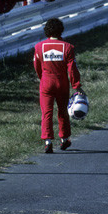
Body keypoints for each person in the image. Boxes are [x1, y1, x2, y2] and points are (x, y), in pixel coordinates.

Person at [33, 18, 83, 153]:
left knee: (46, 112)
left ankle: (48, 142)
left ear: (46, 31)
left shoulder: (39, 47)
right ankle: (64, 139)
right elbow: (72, 69)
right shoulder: (68, 47)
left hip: (46, 82)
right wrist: (76, 85)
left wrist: (42, 78)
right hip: (62, 82)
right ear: (61, 30)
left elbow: (37, 66)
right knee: (63, 111)